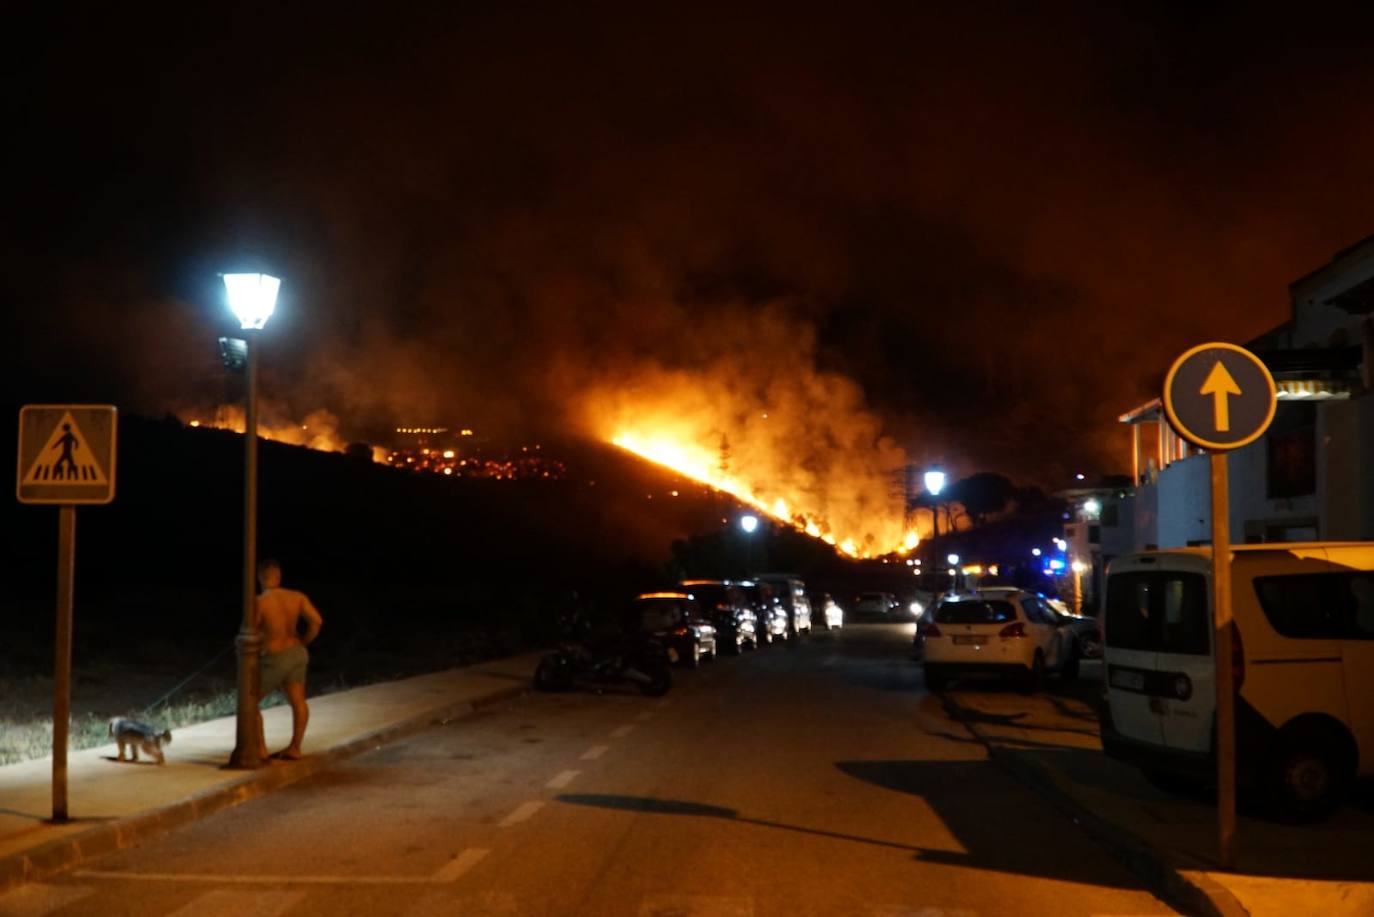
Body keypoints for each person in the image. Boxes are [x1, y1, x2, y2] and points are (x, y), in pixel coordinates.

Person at [255, 558, 323, 761]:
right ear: (278, 577)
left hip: (275, 657)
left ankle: (260, 750)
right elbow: (317, 621)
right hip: (297, 652)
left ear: (260, 578)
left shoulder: (259, 602)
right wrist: (304, 640)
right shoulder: (297, 597)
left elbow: (251, 630)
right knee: (298, 701)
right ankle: (295, 747)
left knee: (249, 703)